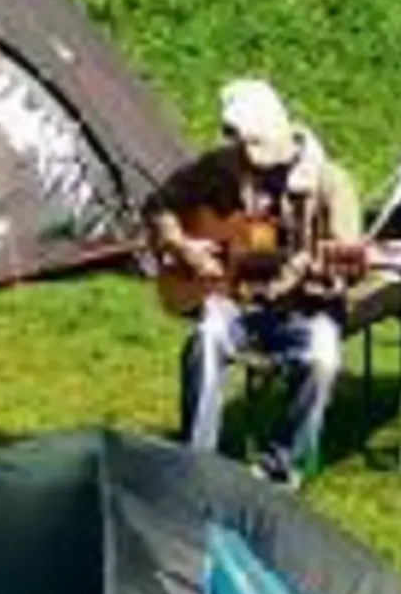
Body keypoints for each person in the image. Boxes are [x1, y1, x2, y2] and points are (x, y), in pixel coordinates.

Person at [142, 78, 364, 489]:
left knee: (323, 357)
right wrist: (182, 245)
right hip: (234, 304)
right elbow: (159, 205)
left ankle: (280, 468)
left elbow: (346, 253)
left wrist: (327, 269)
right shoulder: (219, 168)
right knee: (206, 338)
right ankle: (196, 463)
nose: (249, 162)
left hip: (302, 308)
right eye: (242, 150)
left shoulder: (330, 183)